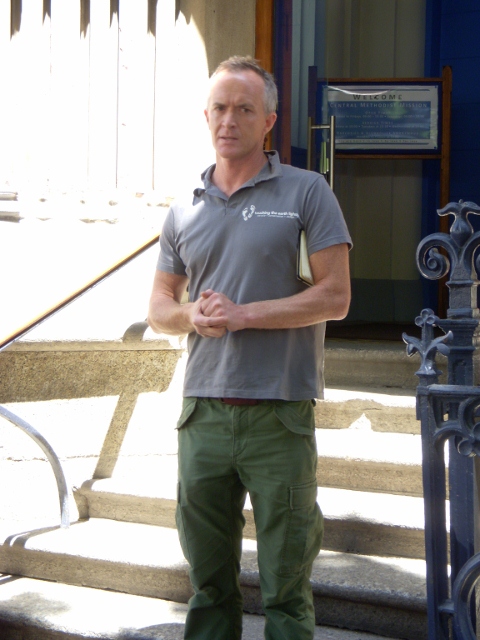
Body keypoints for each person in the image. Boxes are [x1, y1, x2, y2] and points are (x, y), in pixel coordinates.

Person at [148, 55, 352, 640]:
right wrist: (191, 315)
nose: (228, 120)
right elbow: (159, 307)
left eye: (244, 108)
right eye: (219, 108)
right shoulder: (185, 207)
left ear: (269, 121)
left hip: (279, 413)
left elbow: (336, 297)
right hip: (202, 414)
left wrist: (244, 315)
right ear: (205, 116)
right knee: (208, 585)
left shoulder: (307, 191)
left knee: (287, 588)